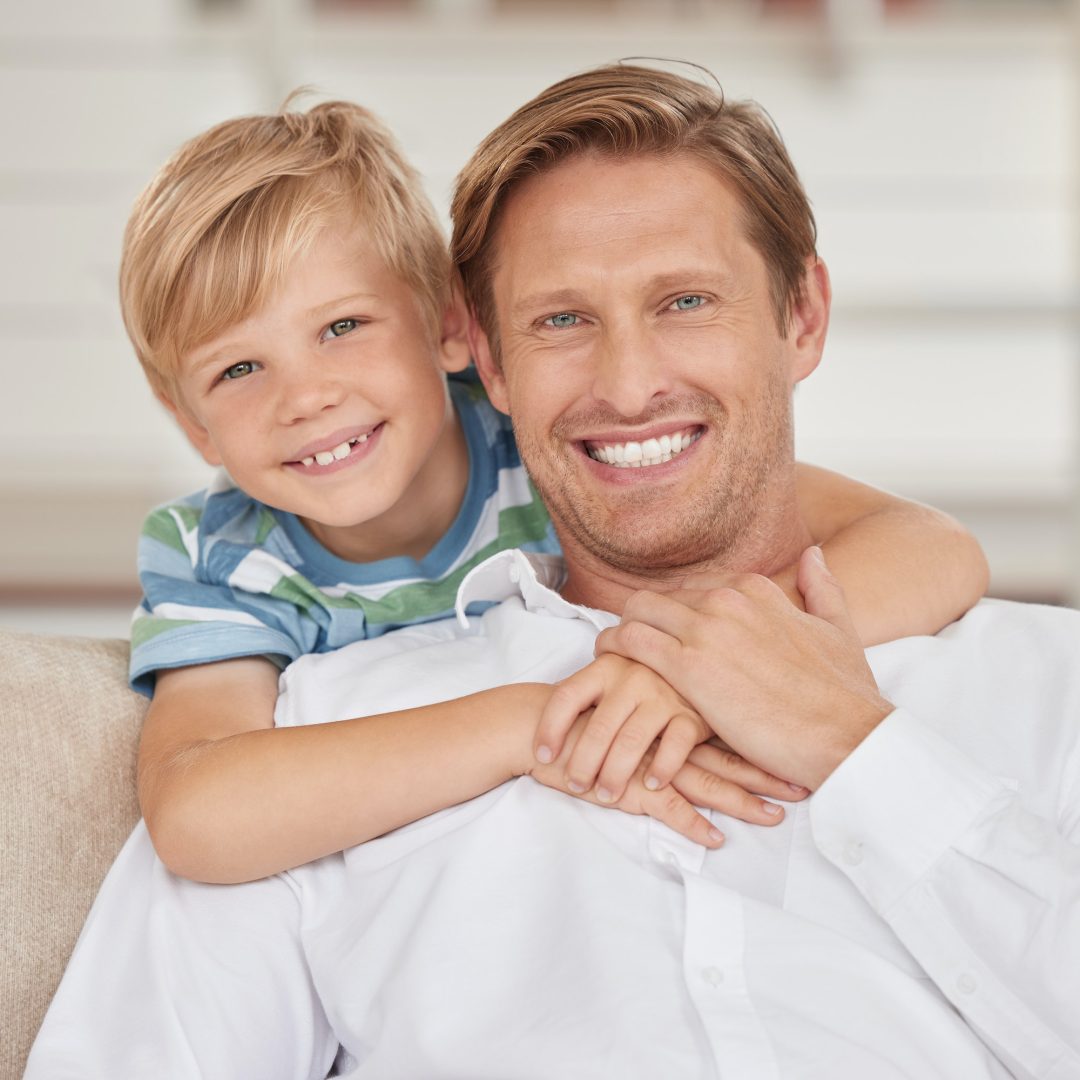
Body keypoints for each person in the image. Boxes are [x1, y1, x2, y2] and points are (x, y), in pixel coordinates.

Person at [27, 64, 1080, 1078]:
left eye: (684, 301)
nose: (627, 385)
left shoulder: (1043, 685)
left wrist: (796, 713)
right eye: (562, 320)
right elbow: (193, 837)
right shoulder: (310, 728)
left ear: (800, 317)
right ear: (490, 356)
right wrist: (553, 720)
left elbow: (934, 545)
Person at [119, 97, 985, 884]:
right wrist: (531, 724)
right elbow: (199, 813)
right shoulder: (222, 554)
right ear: (189, 420)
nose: (305, 397)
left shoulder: (551, 439)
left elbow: (931, 546)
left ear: (454, 329)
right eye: (237, 368)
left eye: (343, 327)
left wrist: (714, 674)